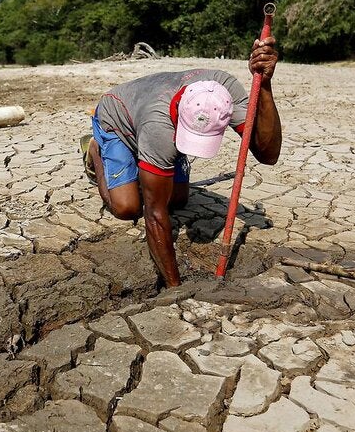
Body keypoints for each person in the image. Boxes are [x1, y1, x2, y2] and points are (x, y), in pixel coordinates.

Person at [81, 37, 281, 287]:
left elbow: (268, 154)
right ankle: (96, 149)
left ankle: (144, 166)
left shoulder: (223, 93)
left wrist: (265, 85)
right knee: (127, 208)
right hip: (117, 117)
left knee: (178, 200)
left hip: (149, 119)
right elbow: (153, 214)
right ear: (179, 117)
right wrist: (174, 287)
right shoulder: (160, 128)